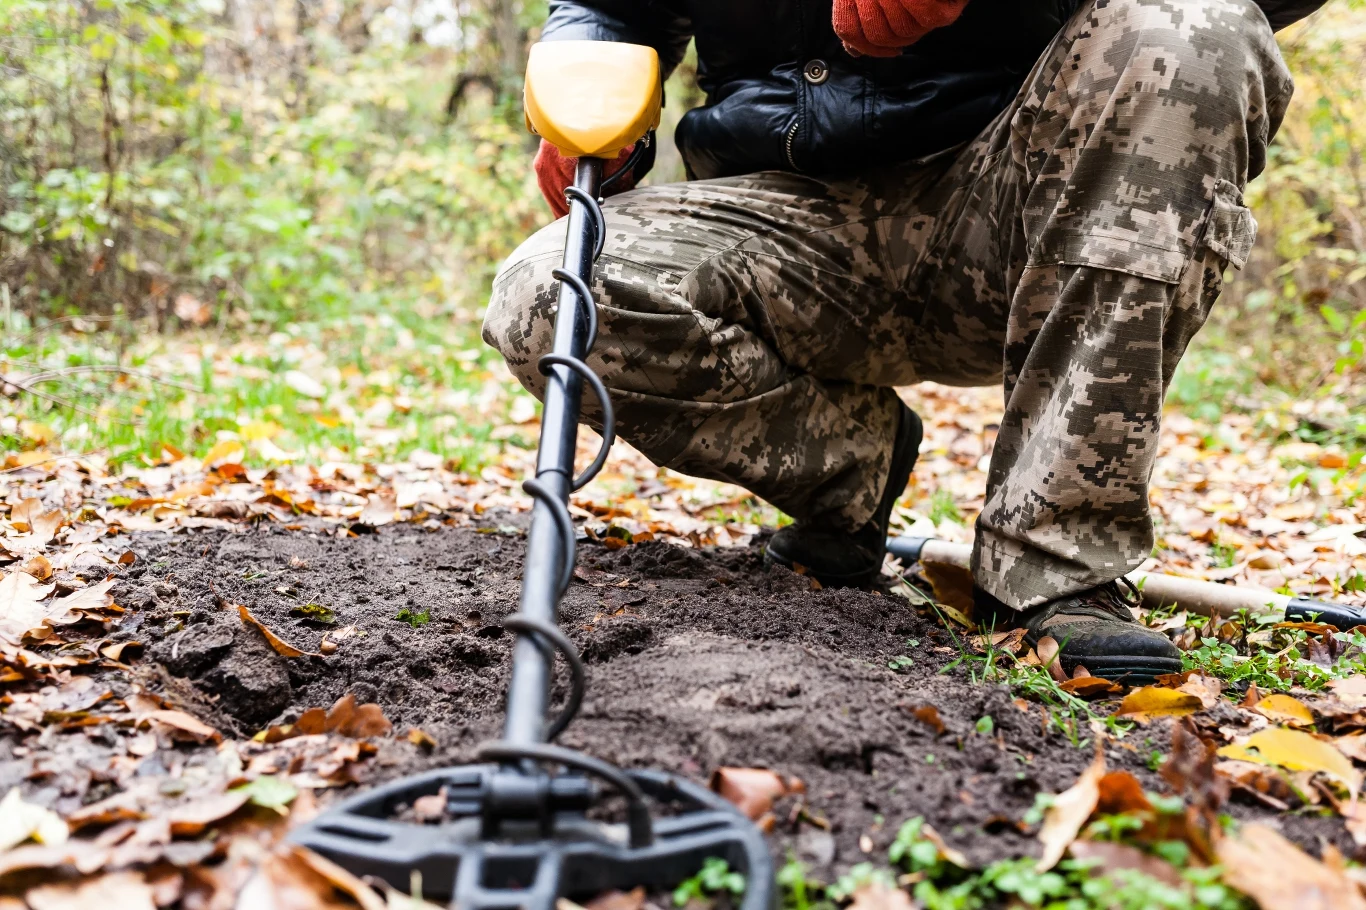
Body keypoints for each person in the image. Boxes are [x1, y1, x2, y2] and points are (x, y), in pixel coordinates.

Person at [483, 0, 1324, 683]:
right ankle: (855, 474)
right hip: (780, 219)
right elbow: (609, 7)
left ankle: (1057, 562)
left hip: (1018, 198)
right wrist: (590, 81)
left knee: (1195, 26)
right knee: (552, 296)